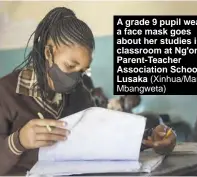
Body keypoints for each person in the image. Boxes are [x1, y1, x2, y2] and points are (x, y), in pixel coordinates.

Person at [0, 7, 176, 176]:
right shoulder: (6, 93)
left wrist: (150, 140)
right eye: (70, 65)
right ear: (48, 52)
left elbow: (101, 141)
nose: (76, 78)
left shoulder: (79, 94)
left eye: (83, 71)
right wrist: (18, 142)